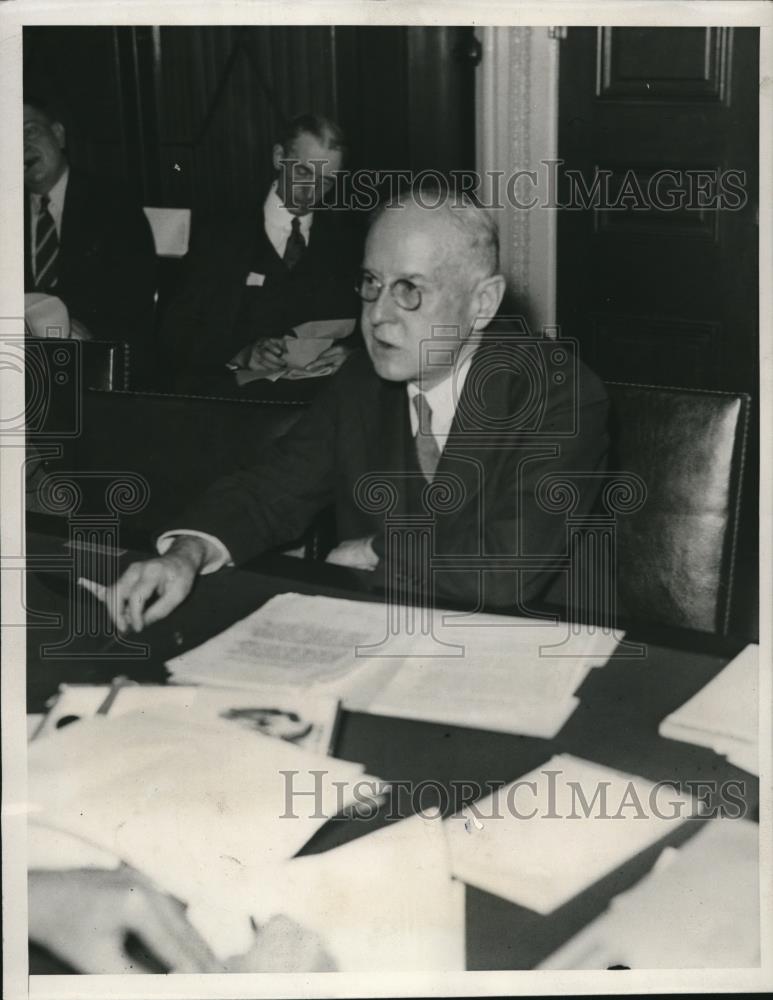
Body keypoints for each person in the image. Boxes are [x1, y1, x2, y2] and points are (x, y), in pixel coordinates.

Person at [90, 185, 609, 631]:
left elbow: (503, 568)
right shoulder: (360, 383)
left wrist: (376, 549)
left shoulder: (558, 392)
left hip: (531, 648)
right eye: (371, 284)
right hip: (384, 635)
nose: (378, 315)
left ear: (483, 303)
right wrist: (186, 553)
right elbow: (271, 488)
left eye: (410, 290)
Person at [159, 112, 363, 390]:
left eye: (325, 181)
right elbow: (175, 332)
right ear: (279, 157)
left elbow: (369, 326)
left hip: (319, 399)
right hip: (233, 399)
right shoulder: (220, 234)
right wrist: (240, 354)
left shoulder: (346, 243)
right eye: (303, 172)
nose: (310, 191)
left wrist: (353, 355)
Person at [23, 97, 157, 382]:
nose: (21, 146)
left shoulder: (113, 203)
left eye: (30, 131)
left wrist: (78, 326)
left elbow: (136, 293)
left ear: (58, 134)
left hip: (93, 358)